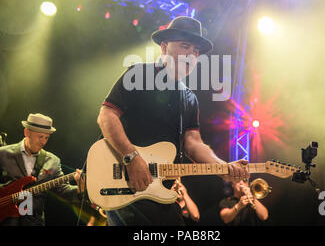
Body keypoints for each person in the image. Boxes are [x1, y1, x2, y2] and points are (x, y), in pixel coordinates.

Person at [97, 16, 249, 226]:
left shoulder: (189, 98)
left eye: (195, 51)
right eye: (185, 46)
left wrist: (224, 168)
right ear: (164, 47)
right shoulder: (139, 74)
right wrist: (131, 158)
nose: (191, 55)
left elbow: (193, 143)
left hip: (164, 191)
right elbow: (106, 116)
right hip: (126, 186)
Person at [0, 113, 85, 226]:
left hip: (33, 222)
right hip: (4, 221)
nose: (43, 142)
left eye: (46, 137)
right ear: (27, 132)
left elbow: (63, 191)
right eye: (40, 136)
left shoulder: (53, 161)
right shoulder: (3, 153)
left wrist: (81, 189)